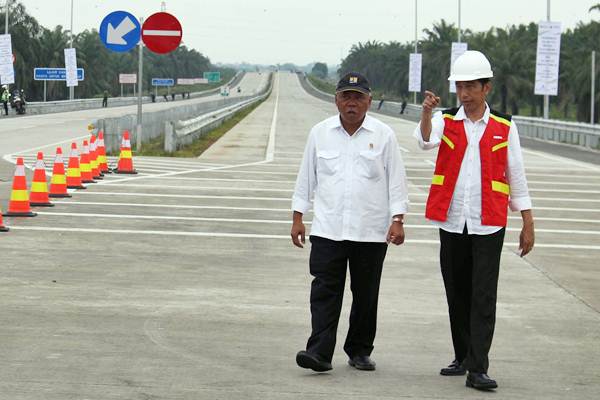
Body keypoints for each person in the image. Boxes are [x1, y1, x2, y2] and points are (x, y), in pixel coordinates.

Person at [414, 50, 535, 391]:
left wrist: (528, 221)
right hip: (452, 220)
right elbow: (424, 142)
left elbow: (517, 175)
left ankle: (478, 367)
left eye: (470, 87)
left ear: (487, 88)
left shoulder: (504, 127)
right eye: (460, 87)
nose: (464, 94)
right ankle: (463, 355)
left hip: (489, 222)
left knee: (483, 295)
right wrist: (426, 114)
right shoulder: (446, 120)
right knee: (457, 291)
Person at [291, 72, 409, 373]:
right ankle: (319, 352)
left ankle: (359, 350)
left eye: (358, 97)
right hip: (328, 229)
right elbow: (307, 178)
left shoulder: (384, 135)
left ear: (369, 101)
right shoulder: (320, 133)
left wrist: (398, 220)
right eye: (346, 96)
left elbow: (397, 182)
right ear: (336, 100)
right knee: (324, 292)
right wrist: (298, 217)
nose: (351, 103)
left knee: (366, 295)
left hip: (370, 231)